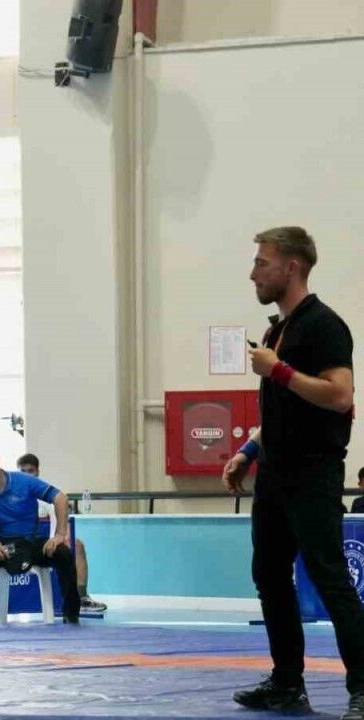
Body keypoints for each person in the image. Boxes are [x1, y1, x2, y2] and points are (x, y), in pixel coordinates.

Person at [221, 227, 362, 719]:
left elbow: (340, 395)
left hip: (313, 474)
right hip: (275, 475)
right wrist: (248, 451)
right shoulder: (278, 331)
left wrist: (278, 370)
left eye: (262, 263)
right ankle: (286, 682)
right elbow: (284, 411)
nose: (253, 273)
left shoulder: (324, 325)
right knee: (270, 576)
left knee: (330, 580)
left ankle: (363, 688)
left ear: (292, 267)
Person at [0, 445, 81, 624]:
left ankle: (71, 614)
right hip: (0, 547)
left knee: (63, 552)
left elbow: (61, 498)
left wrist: (59, 534)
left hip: (31, 544)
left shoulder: (24, 481)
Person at [17, 453, 108, 613]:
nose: (27, 475)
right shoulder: (12, 496)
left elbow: (59, 519)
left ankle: (81, 597)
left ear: (37, 472)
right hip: (21, 545)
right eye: (23, 471)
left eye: (30, 471)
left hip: (47, 544)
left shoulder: (48, 494)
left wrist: (61, 538)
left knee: (77, 545)